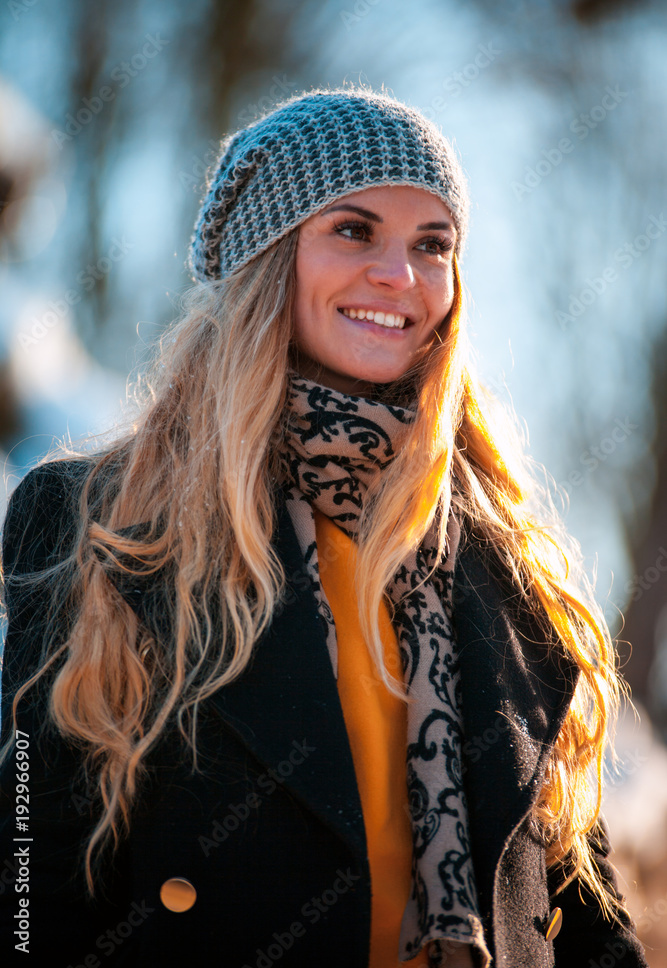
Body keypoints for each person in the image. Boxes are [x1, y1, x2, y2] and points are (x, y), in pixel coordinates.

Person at [0, 86, 649, 968]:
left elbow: (574, 896)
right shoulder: (105, 523)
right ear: (267, 258)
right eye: (354, 230)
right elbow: (32, 879)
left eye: (433, 246)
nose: (401, 276)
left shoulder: (499, 551)